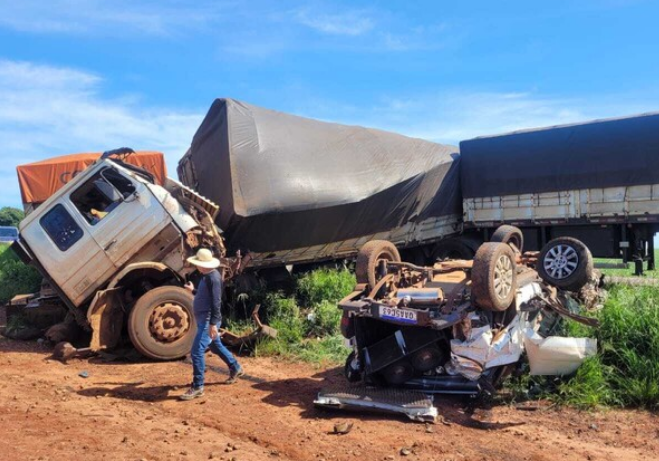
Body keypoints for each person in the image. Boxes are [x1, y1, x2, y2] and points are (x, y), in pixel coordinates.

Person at [179, 248, 244, 401]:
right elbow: (204, 296)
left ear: (203, 264)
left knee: (196, 351)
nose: (196, 267)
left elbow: (216, 302)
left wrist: (213, 324)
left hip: (208, 321)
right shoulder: (207, 276)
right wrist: (193, 291)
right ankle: (235, 367)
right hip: (205, 320)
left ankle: (197, 386)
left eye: (197, 264)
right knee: (215, 346)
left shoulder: (213, 279)